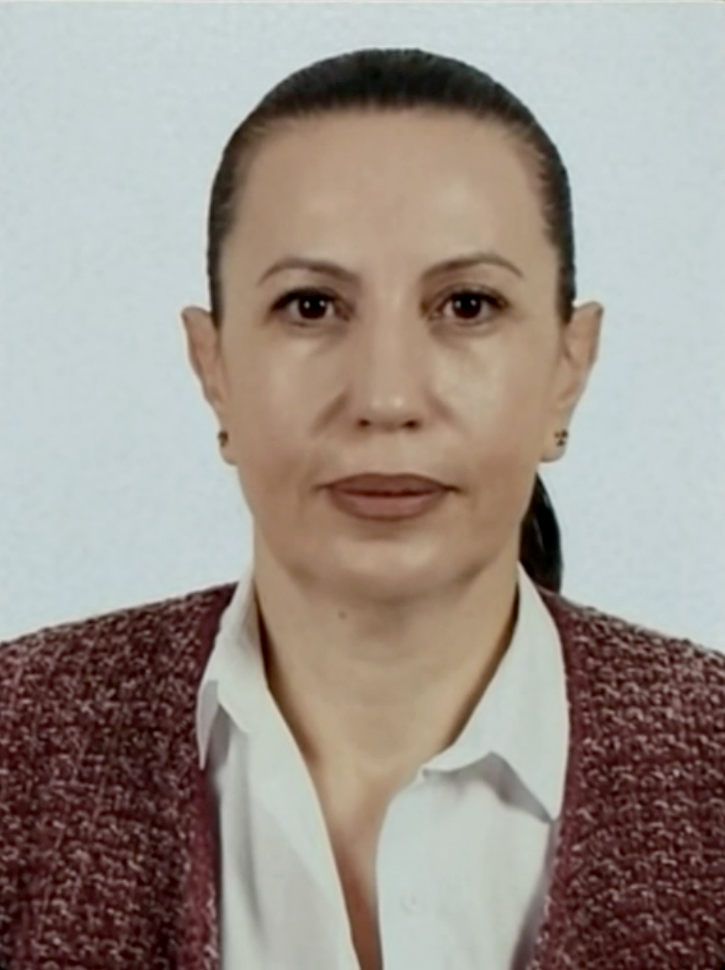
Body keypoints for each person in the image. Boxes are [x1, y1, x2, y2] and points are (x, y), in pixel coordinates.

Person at [1, 46, 723, 970]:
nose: (386, 397)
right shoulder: (19, 746)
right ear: (213, 367)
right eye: (310, 306)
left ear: (567, 366)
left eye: (467, 305)